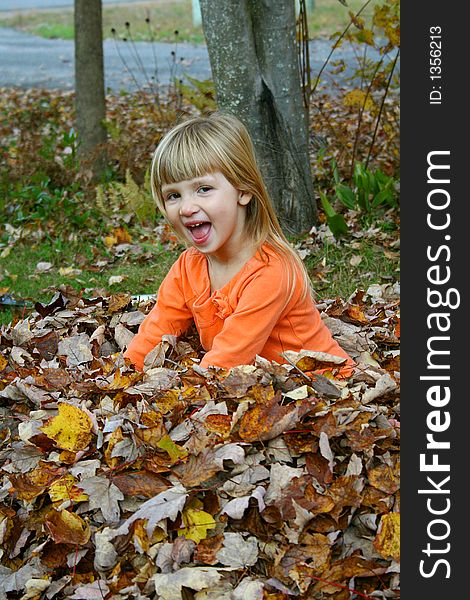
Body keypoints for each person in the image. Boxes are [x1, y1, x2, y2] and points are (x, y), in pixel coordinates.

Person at [124, 112, 354, 374]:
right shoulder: (189, 267)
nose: (187, 208)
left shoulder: (271, 270)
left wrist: (188, 396)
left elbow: (228, 359)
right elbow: (156, 330)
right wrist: (124, 375)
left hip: (321, 389)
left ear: (243, 190)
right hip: (256, 390)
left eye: (204, 189)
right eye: (174, 195)